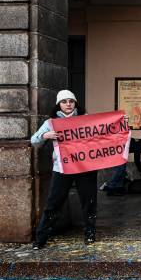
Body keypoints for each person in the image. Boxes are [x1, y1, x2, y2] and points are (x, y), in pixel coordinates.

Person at [30, 90, 98, 249]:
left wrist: (121, 122)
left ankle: (89, 233)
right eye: (64, 101)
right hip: (61, 168)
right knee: (53, 203)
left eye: (71, 101)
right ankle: (41, 237)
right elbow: (34, 141)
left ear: (75, 103)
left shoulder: (86, 119)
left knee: (89, 202)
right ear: (58, 104)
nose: (68, 104)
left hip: (85, 167)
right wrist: (45, 135)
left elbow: (105, 132)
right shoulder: (50, 123)